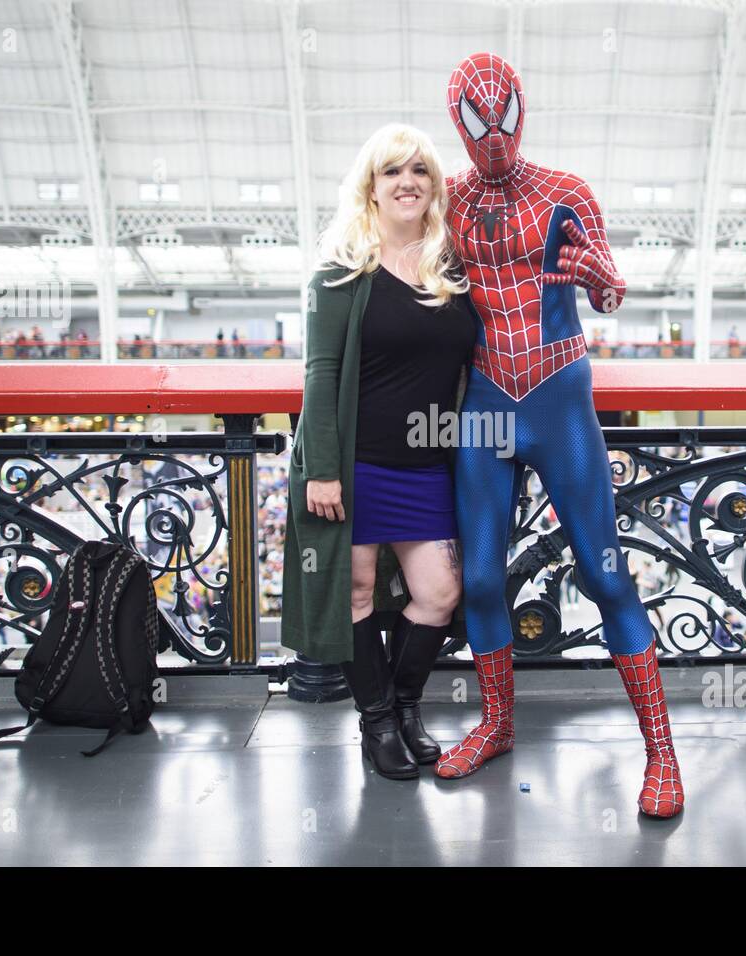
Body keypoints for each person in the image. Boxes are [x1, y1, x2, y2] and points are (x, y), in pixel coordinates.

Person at [437, 53, 683, 817]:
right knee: (479, 578)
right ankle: (498, 724)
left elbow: (606, 288)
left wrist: (605, 279)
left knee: (606, 575)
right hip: (484, 400)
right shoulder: (446, 199)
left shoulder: (566, 192)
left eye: (504, 113)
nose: (495, 134)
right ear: (460, 122)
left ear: (521, 107)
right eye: (479, 120)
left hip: (557, 394)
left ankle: (664, 757)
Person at [281, 123, 479, 781]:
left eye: (419, 171)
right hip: (357, 464)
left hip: (427, 463)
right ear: (371, 185)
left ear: (433, 186)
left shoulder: (450, 267)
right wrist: (323, 469)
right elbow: (320, 371)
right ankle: (377, 723)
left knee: (439, 592)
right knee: (357, 591)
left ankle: (404, 705)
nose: (407, 183)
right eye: (393, 171)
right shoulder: (341, 270)